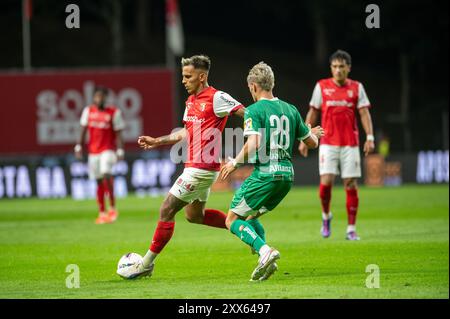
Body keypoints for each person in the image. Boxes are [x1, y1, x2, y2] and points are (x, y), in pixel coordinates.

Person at [126, 55, 245, 279]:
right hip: (196, 167)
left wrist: (254, 135)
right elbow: (186, 133)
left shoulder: (217, 97)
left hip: (201, 169)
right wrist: (157, 141)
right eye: (183, 76)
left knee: (166, 209)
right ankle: (245, 228)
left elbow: (246, 113)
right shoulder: (191, 101)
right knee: (194, 216)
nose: (184, 81)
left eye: (188, 76)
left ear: (202, 77)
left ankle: (146, 264)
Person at [220, 62, 324, 281]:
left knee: (231, 219)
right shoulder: (291, 109)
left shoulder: (254, 110)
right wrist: (311, 133)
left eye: (250, 88)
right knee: (249, 217)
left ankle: (265, 251)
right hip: (286, 176)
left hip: (266, 174)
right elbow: (312, 143)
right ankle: (264, 259)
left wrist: (234, 163)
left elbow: (253, 144)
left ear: (254, 86)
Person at [298, 49, 375, 240]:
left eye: (342, 66)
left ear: (348, 68)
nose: (338, 70)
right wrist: (306, 138)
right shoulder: (322, 86)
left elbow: (364, 113)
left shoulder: (357, 87)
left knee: (350, 183)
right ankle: (326, 217)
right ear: (331, 68)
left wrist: (370, 137)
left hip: (350, 143)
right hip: (328, 142)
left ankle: (351, 229)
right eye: (334, 66)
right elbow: (313, 112)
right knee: (325, 184)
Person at [75, 86, 125, 224]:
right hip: (93, 152)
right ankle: (102, 212)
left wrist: (120, 150)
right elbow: (83, 129)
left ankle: (113, 207)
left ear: (105, 98)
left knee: (106, 174)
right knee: (98, 180)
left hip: (108, 150)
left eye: (102, 96)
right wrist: (78, 146)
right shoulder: (88, 111)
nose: (99, 99)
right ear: (94, 98)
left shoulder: (114, 112)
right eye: (97, 96)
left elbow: (118, 133)